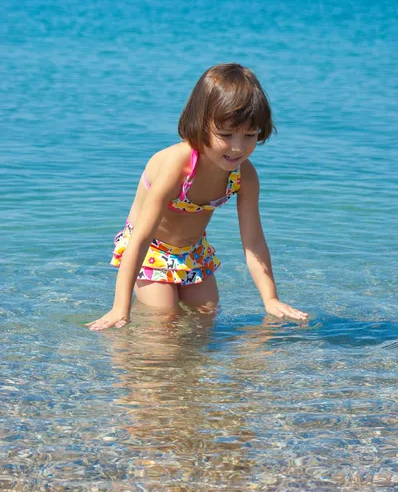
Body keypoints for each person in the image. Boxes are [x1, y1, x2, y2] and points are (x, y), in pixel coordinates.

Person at [86, 63, 308, 331]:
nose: (238, 147)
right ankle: (136, 368)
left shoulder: (243, 175)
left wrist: (270, 298)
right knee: (164, 324)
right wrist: (121, 307)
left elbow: (254, 242)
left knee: (205, 320)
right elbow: (141, 237)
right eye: (226, 135)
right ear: (201, 125)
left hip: (193, 251)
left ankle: (190, 375)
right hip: (150, 250)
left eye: (250, 135)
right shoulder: (177, 166)